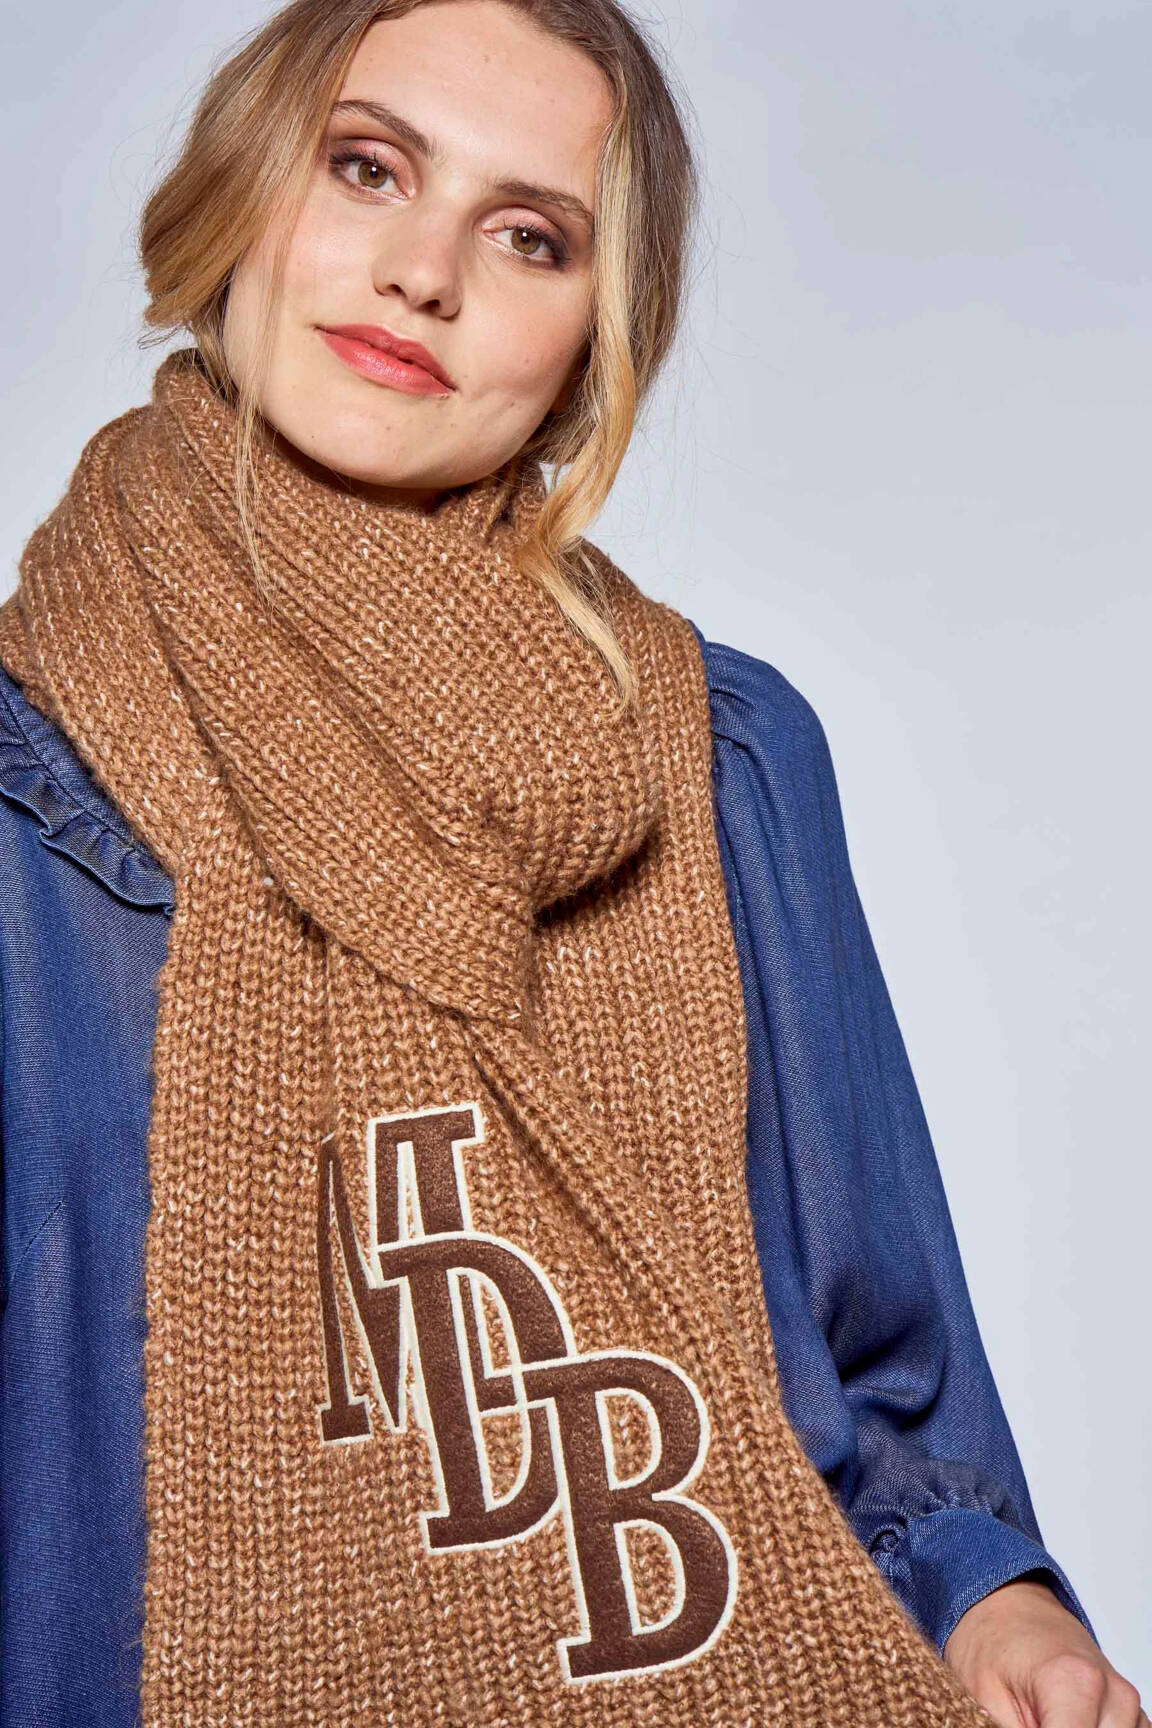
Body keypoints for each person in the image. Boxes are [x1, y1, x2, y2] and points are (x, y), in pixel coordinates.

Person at [0, 1, 1143, 1724]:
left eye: (529, 236)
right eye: (367, 168)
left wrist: (998, 1614)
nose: (423, 273)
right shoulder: (25, 797)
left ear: (597, 337)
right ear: (242, 184)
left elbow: (883, 1377)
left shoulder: (727, 757)